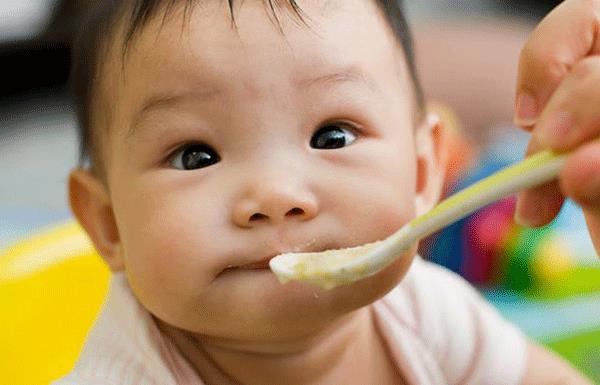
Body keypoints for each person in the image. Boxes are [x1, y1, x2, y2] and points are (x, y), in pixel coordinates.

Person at [54, 0, 595, 384]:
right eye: (197, 155)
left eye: (331, 136)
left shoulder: (426, 315)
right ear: (108, 224)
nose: (275, 195)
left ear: (423, 174)